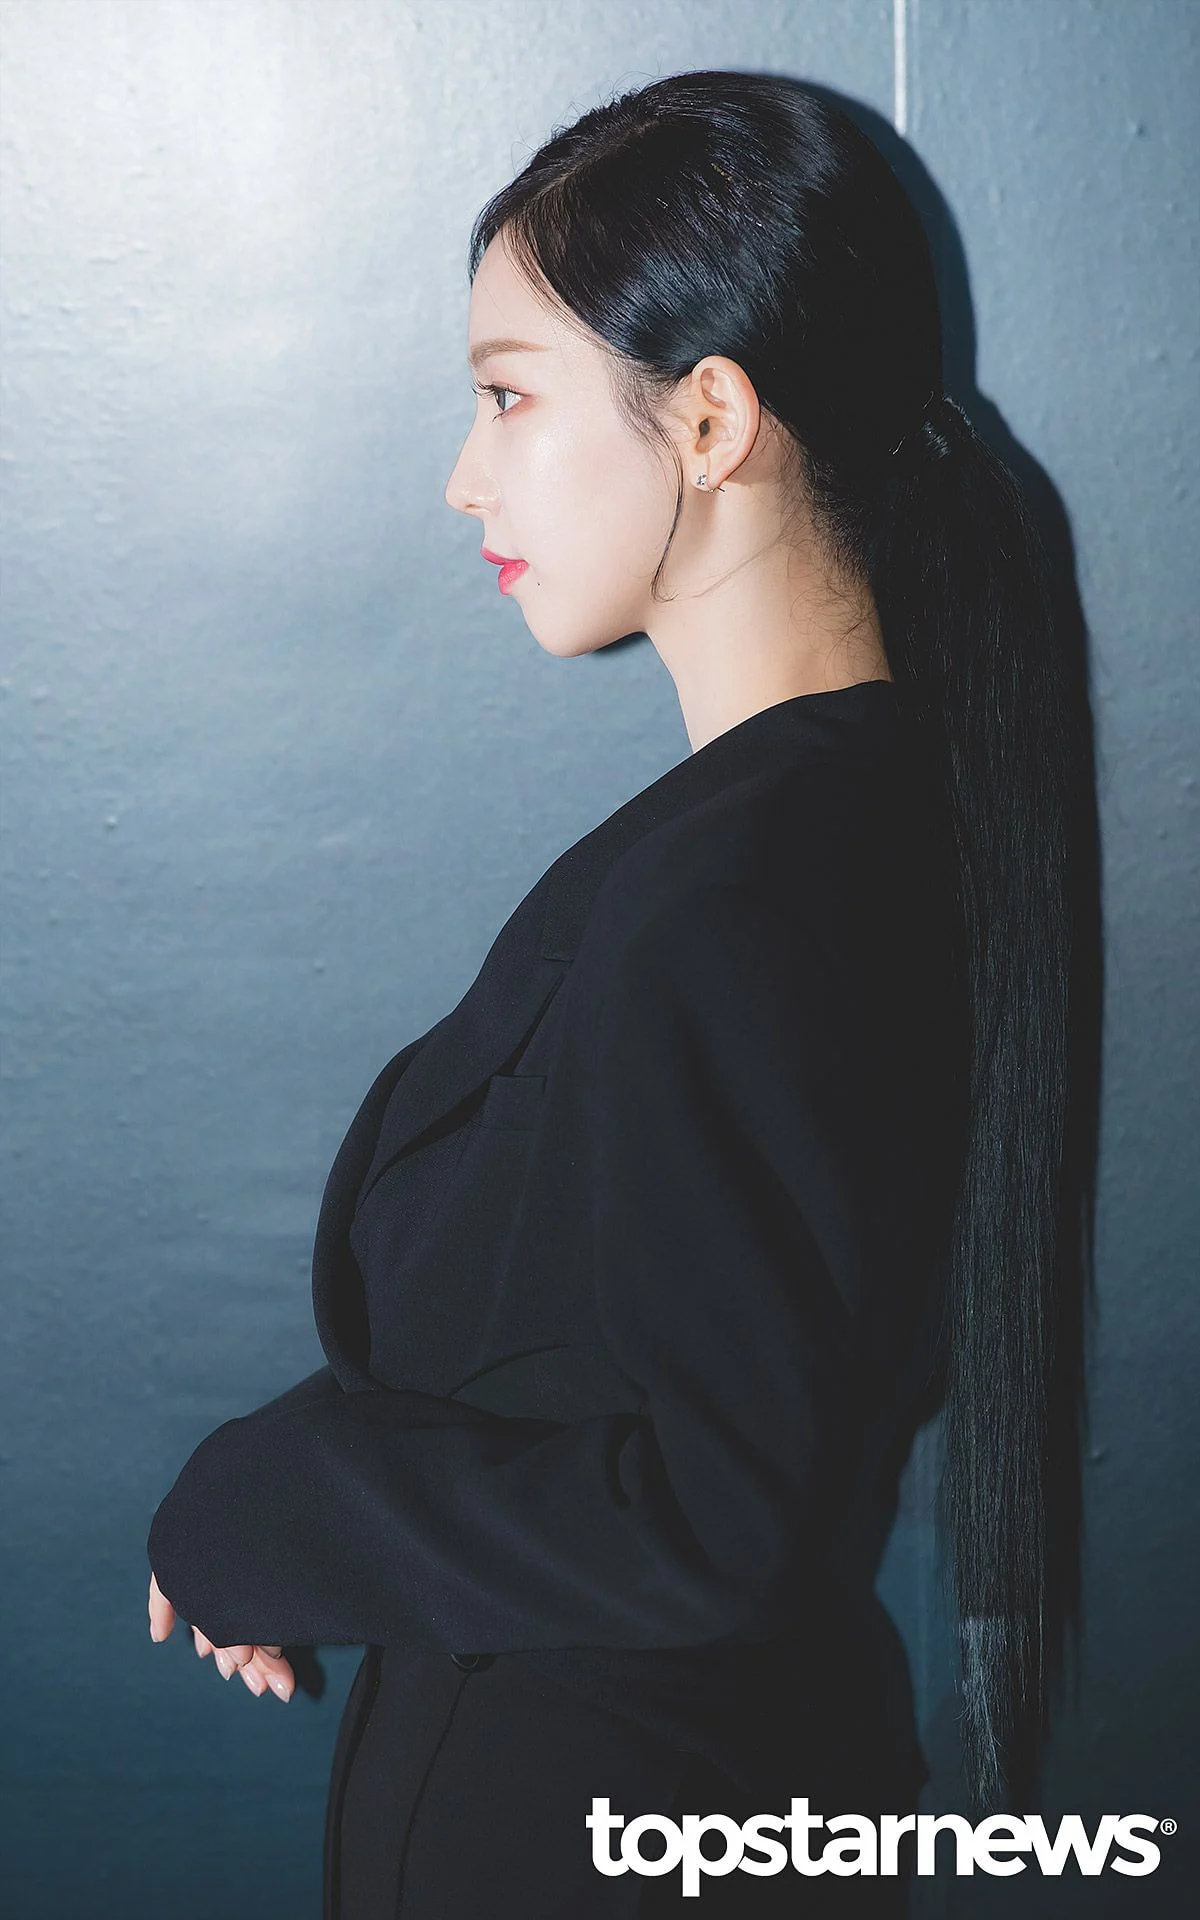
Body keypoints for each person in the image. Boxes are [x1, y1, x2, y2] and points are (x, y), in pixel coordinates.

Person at [146, 70, 1081, 1915]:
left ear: (711, 418)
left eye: (508, 395)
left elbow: (707, 1519)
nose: (464, 474)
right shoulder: (823, 834)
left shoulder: (755, 885)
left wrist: (275, 1507)